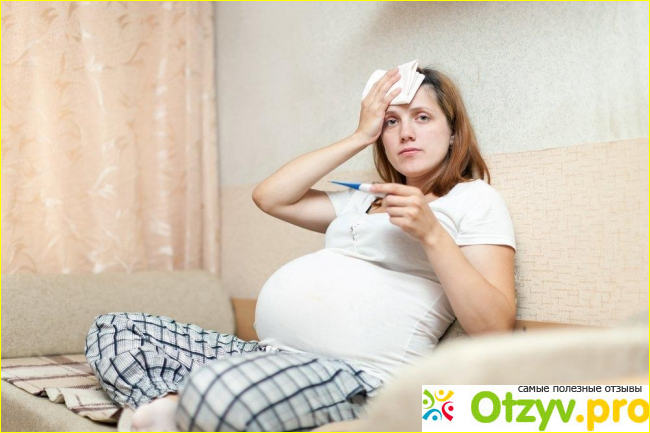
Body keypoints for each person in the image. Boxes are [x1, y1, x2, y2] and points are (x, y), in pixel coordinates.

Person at [85, 66, 516, 432]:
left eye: (422, 117)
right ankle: (172, 406)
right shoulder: (362, 200)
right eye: (391, 122)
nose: (406, 133)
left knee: (223, 391)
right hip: (266, 356)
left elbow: (495, 327)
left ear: (453, 130)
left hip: (355, 376)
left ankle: (185, 408)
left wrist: (432, 234)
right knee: (114, 329)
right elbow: (270, 196)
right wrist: (359, 135)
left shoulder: (473, 199)